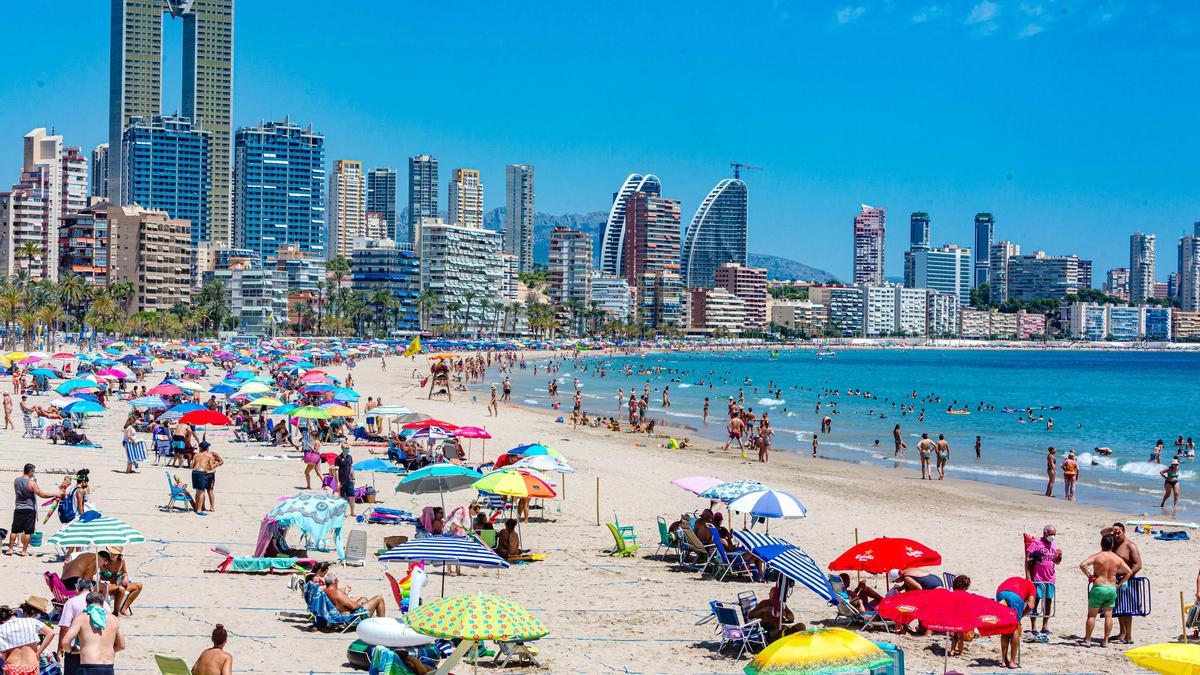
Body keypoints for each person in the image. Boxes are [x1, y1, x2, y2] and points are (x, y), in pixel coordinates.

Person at [1079, 534, 1132, 647]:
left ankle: (1088, 640)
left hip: (1099, 587)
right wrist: (1119, 583)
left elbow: (1083, 565)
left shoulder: (1097, 556)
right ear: (1112, 545)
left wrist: (1089, 576)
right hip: (1111, 588)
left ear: (1101, 544)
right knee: (1108, 615)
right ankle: (1106, 641)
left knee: (1092, 615)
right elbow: (1129, 572)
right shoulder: (1117, 558)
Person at [57, 591, 124, 675]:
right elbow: (121, 645)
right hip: (108, 667)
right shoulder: (114, 619)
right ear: (103, 604)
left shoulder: (82, 618)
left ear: (86, 604)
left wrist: (71, 651)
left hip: (88, 666)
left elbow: (65, 642)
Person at [8, 463, 57, 556]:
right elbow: (42, 494)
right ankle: (24, 551)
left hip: (18, 508)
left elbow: (21, 491)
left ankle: (10, 549)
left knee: (14, 530)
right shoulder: (31, 483)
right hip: (29, 509)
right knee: (28, 531)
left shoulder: (16, 480)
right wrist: (56, 494)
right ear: (30, 472)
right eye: (33, 471)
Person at [1108, 522, 1142, 644]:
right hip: (1116, 580)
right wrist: (1112, 529)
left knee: (1127, 609)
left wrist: (1127, 576)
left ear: (1124, 532)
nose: (1116, 535)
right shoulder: (1113, 543)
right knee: (1118, 609)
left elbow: (1138, 565)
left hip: (1129, 581)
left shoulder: (1130, 546)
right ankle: (1122, 633)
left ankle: (1128, 636)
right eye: (1114, 533)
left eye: (1119, 533)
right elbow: (1102, 533)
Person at [1025, 525, 1062, 636]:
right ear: (1045, 533)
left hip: (1050, 578)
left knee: (1048, 602)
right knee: (1035, 602)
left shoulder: (1054, 545)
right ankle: (1033, 626)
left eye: (1054, 534)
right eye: (1050, 534)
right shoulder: (1036, 543)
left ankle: (1045, 626)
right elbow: (1028, 559)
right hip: (1038, 578)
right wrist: (1028, 575)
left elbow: (1057, 562)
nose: (1052, 537)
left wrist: (1060, 556)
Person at [0, 604, 56, 675]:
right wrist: (38, 652)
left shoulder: (1, 629)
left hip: (12, 667)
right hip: (31, 665)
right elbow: (51, 633)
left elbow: (2, 654)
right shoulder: (31, 621)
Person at [995, 576, 1036, 668]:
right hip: (1014, 596)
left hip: (1000, 592)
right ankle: (1012, 661)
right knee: (1014, 627)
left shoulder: (1020, 581)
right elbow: (1030, 606)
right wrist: (1020, 616)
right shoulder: (1032, 587)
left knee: (1005, 626)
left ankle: (1004, 660)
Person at [97, 548, 142, 617]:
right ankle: (116, 612)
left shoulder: (121, 561)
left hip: (117, 585)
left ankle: (123, 609)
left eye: (114, 553)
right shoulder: (105, 561)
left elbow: (124, 572)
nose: (111, 554)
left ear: (119, 554)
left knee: (138, 585)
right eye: (111, 552)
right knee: (121, 589)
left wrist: (125, 577)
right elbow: (96, 570)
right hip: (107, 587)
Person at [190, 440, 223, 515]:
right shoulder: (209, 456)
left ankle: (197, 507)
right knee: (202, 492)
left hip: (194, 472)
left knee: (198, 491)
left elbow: (191, 466)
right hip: (201, 473)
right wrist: (216, 464)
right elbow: (211, 467)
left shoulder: (196, 455)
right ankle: (199, 510)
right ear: (207, 448)